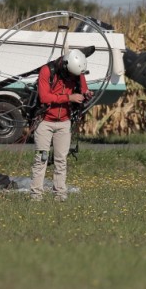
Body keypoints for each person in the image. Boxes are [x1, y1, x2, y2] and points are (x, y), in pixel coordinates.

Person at [30, 49, 92, 201]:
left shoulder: (78, 73)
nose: (73, 77)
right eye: (71, 74)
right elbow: (45, 97)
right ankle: (36, 196)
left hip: (64, 123)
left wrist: (87, 94)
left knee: (61, 160)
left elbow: (84, 90)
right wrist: (69, 97)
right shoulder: (46, 71)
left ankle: (60, 195)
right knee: (41, 158)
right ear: (65, 66)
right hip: (44, 121)